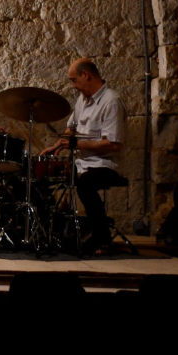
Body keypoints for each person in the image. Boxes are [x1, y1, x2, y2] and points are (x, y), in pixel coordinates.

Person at [44, 57, 125, 254]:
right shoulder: (83, 100)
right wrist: (56, 146)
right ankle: (51, 233)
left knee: (85, 184)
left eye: (73, 80)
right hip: (82, 162)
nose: (73, 86)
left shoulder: (111, 101)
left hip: (104, 165)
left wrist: (74, 144)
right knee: (45, 174)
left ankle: (102, 238)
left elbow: (113, 144)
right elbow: (71, 128)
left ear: (86, 75)